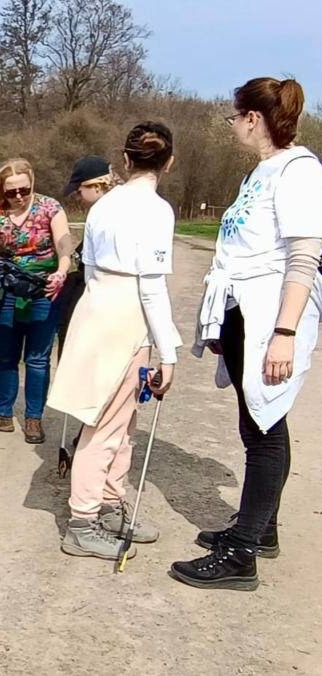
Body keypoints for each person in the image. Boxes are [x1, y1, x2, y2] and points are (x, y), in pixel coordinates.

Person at [170, 78, 322, 591]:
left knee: (264, 427)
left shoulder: (299, 172)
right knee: (257, 421)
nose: (232, 124)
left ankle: (242, 555)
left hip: (269, 318)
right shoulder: (264, 170)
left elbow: (305, 255)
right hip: (242, 313)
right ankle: (261, 529)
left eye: (234, 116)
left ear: (253, 119)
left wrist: (285, 331)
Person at [47, 122, 180, 560]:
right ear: (169, 163)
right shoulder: (156, 210)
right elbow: (151, 287)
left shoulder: (103, 204)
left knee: (122, 425)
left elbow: (91, 268)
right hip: (124, 320)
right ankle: (83, 521)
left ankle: (108, 504)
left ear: (125, 160)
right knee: (106, 426)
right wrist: (169, 351)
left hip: (99, 309)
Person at [0, 159, 72, 445]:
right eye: (10, 191)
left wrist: (62, 270)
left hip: (44, 290)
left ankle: (33, 418)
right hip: (8, 291)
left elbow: (64, 242)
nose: (17, 196)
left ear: (32, 183)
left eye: (23, 190)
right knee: (7, 356)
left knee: (37, 359)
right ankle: (2, 414)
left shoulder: (50, 208)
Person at [56, 156, 117, 466]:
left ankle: (91, 443)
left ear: (95, 185)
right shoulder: (106, 210)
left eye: (79, 190)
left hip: (100, 307)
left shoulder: (109, 213)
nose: (79, 197)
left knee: (96, 377)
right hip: (87, 298)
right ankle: (88, 436)